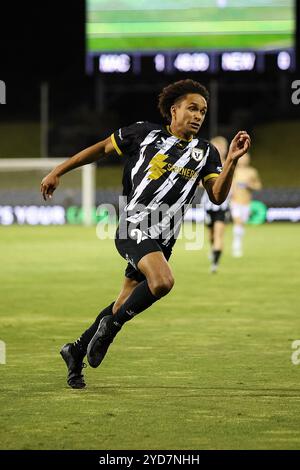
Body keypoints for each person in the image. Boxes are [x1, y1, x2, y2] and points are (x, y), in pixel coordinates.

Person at [41, 79, 251, 389]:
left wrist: (231, 160)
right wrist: (59, 170)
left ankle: (75, 350)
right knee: (163, 281)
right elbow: (100, 149)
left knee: (122, 302)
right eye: (192, 108)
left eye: (203, 112)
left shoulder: (206, 152)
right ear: (173, 110)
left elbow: (217, 195)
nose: (198, 116)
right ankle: (110, 330)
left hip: (163, 239)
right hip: (134, 225)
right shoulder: (143, 133)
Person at [200, 136, 230, 273]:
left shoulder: (229, 164)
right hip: (208, 205)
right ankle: (214, 251)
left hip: (222, 206)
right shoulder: (207, 164)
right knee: (211, 236)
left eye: (221, 148)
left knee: (218, 235)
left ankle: (215, 265)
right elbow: (201, 182)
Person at [231, 152, 262, 257]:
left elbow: (258, 186)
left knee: (241, 224)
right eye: (242, 158)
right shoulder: (233, 170)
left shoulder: (252, 172)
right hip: (234, 201)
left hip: (246, 202)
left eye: (245, 158)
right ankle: (236, 245)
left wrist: (250, 185)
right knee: (238, 222)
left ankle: (238, 242)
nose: (243, 160)